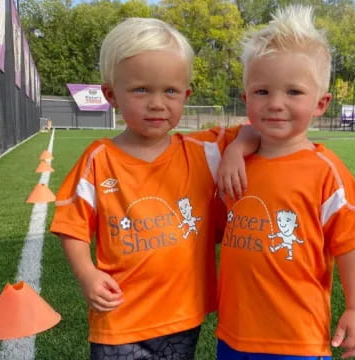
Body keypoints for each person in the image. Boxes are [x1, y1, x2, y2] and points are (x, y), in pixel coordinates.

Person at [50, 17, 258, 360]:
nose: (157, 103)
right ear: (111, 95)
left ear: (186, 95)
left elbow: (252, 130)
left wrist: (235, 150)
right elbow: (70, 224)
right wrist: (86, 273)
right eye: (141, 89)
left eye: (170, 91)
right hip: (120, 320)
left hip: (182, 316)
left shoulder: (201, 150)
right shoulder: (99, 159)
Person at [216, 5, 355, 360]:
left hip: (296, 337)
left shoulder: (324, 171)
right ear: (245, 98)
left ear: (321, 103)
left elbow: (350, 244)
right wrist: (236, 147)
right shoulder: (234, 157)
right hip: (234, 334)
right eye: (262, 92)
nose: (276, 104)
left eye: (293, 92)